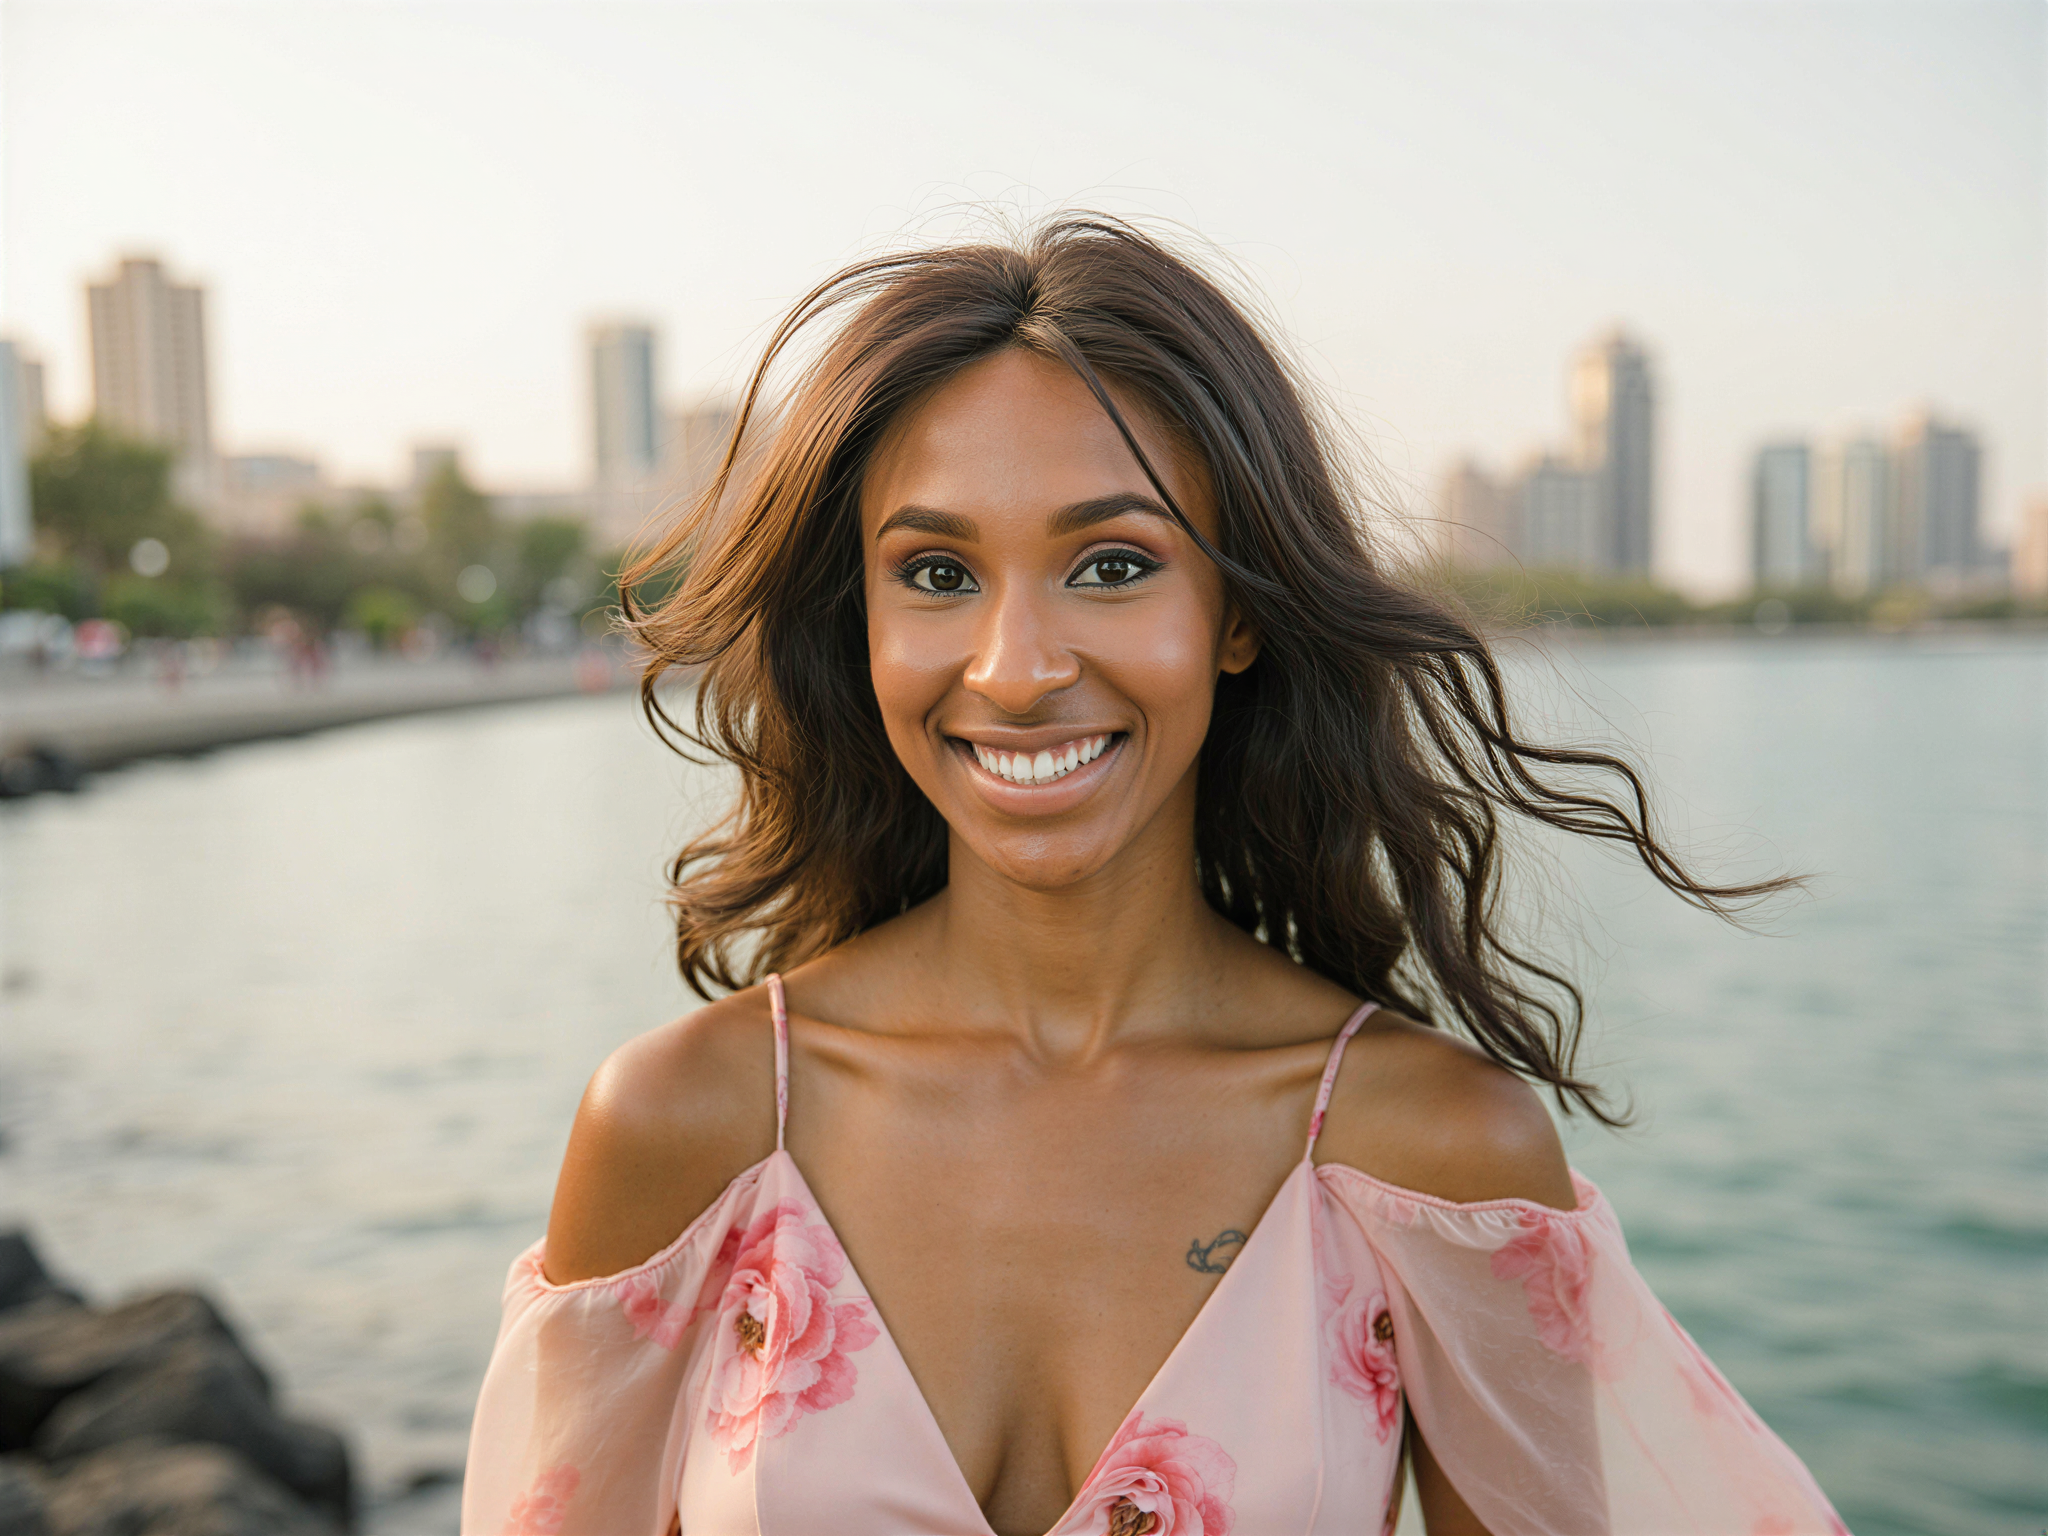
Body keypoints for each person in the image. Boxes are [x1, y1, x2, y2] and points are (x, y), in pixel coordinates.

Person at [462, 218, 1849, 1536]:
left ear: (1236, 614)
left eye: (1112, 564)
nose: (1015, 669)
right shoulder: (688, 1130)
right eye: (936, 572)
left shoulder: (1429, 1158)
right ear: (863, 622)